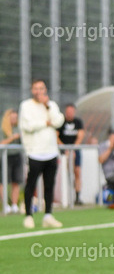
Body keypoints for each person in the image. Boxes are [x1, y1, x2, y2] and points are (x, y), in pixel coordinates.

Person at [19, 79, 66, 228]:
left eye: (41, 88)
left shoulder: (51, 105)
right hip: (35, 153)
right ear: (32, 90)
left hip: (51, 152)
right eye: (36, 88)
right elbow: (28, 126)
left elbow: (58, 121)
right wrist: (45, 123)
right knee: (31, 184)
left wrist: (47, 107)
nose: (39, 91)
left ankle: (48, 215)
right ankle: (28, 215)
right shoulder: (26, 106)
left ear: (45, 90)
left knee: (49, 185)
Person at [59, 103, 86, 205]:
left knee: (77, 172)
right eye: (68, 111)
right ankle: (63, 197)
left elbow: (80, 135)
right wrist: (65, 148)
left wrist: (73, 149)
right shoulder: (61, 122)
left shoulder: (78, 122)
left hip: (75, 150)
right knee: (63, 173)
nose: (69, 113)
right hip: (63, 151)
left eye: (71, 111)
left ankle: (77, 197)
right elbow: (56, 136)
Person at [2, 109, 23, 214]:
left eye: (16, 118)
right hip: (5, 157)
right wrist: (12, 137)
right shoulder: (3, 129)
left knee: (16, 181)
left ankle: (14, 205)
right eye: (12, 118)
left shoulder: (18, 128)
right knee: (3, 181)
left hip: (17, 156)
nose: (14, 120)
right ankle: (5, 204)